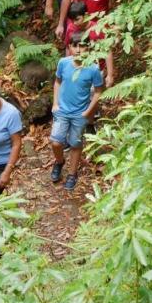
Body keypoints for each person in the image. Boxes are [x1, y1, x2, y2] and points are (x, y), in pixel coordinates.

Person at [50, 32, 105, 191]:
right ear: (69, 48)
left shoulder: (93, 69)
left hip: (80, 113)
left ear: (89, 48)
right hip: (62, 110)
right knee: (56, 141)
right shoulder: (63, 63)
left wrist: (89, 112)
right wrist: (55, 103)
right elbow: (58, 82)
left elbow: (99, 91)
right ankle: (59, 162)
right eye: (75, 46)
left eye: (83, 46)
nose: (79, 50)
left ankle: (72, 174)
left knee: (75, 143)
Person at [62, 0, 115, 87]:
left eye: (77, 19)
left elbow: (107, 51)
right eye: (72, 20)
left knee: (93, 95)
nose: (75, 23)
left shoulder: (97, 29)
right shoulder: (71, 28)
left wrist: (110, 75)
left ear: (86, 15)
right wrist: (68, 68)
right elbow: (68, 47)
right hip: (76, 69)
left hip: (95, 69)